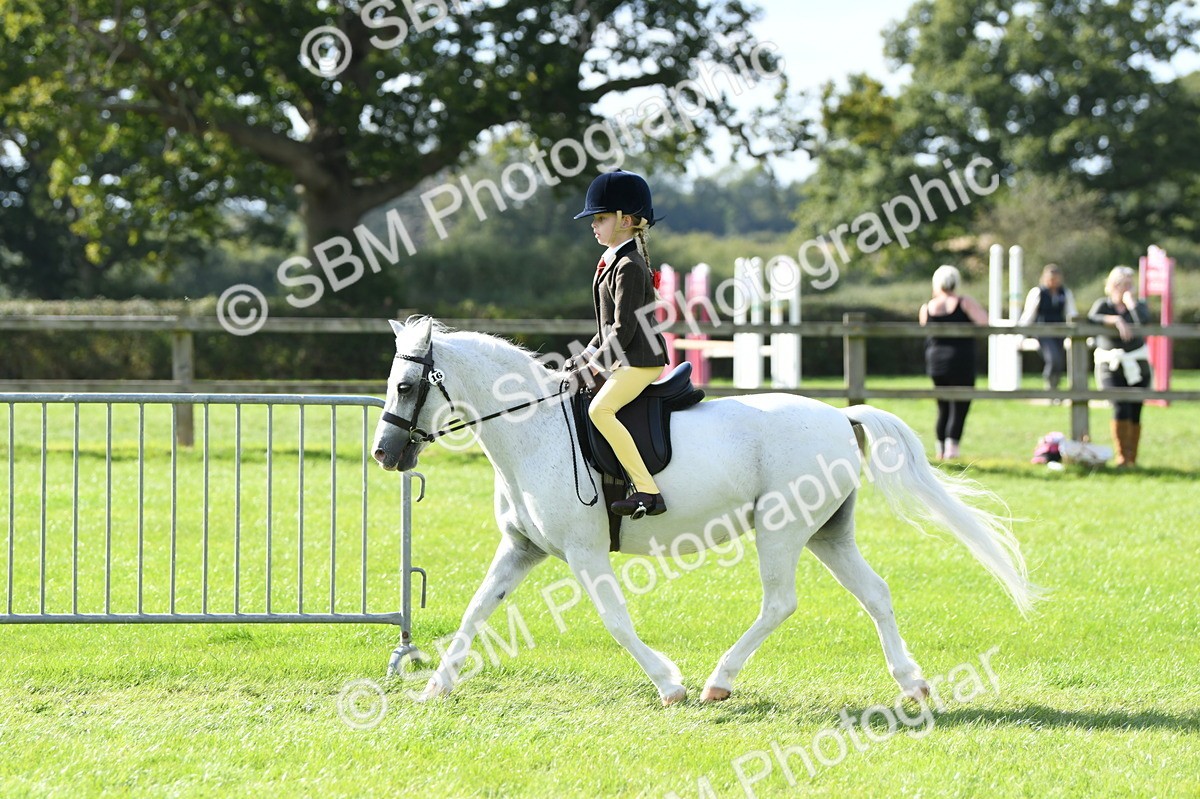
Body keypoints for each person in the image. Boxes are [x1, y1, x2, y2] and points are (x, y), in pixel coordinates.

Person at [566, 169, 669, 518]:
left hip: (640, 360)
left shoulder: (628, 265)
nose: (593, 225)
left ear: (625, 221)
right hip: (626, 357)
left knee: (600, 410)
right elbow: (607, 327)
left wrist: (594, 365)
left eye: (600, 218)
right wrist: (584, 356)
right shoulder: (613, 261)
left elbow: (624, 329)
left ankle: (647, 490)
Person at [919, 265, 989, 460]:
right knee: (960, 405)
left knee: (942, 406)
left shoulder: (927, 307)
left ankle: (940, 449)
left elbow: (924, 330)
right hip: (960, 360)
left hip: (936, 362)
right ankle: (952, 450)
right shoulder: (963, 302)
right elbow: (984, 322)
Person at [1088, 266, 1151, 467]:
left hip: (1137, 364)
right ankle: (1122, 456)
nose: (1129, 288)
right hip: (1112, 365)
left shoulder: (1138, 306)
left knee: (1135, 408)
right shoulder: (1103, 305)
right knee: (1120, 405)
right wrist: (1114, 320)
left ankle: (1132, 458)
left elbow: (1145, 322)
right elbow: (1092, 318)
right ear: (1114, 285)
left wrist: (1131, 306)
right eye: (1125, 284)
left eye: (1131, 284)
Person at [1018, 263, 1077, 392]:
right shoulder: (1038, 292)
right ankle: (1050, 387)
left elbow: (1071, 313)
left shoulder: (1064, 293)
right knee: (1053, 358)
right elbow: (1029, 314)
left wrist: (1074, 331)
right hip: (1043, 332)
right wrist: (1020, 334)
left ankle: (1055, 387)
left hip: (1059, 332)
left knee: (1059, 361)